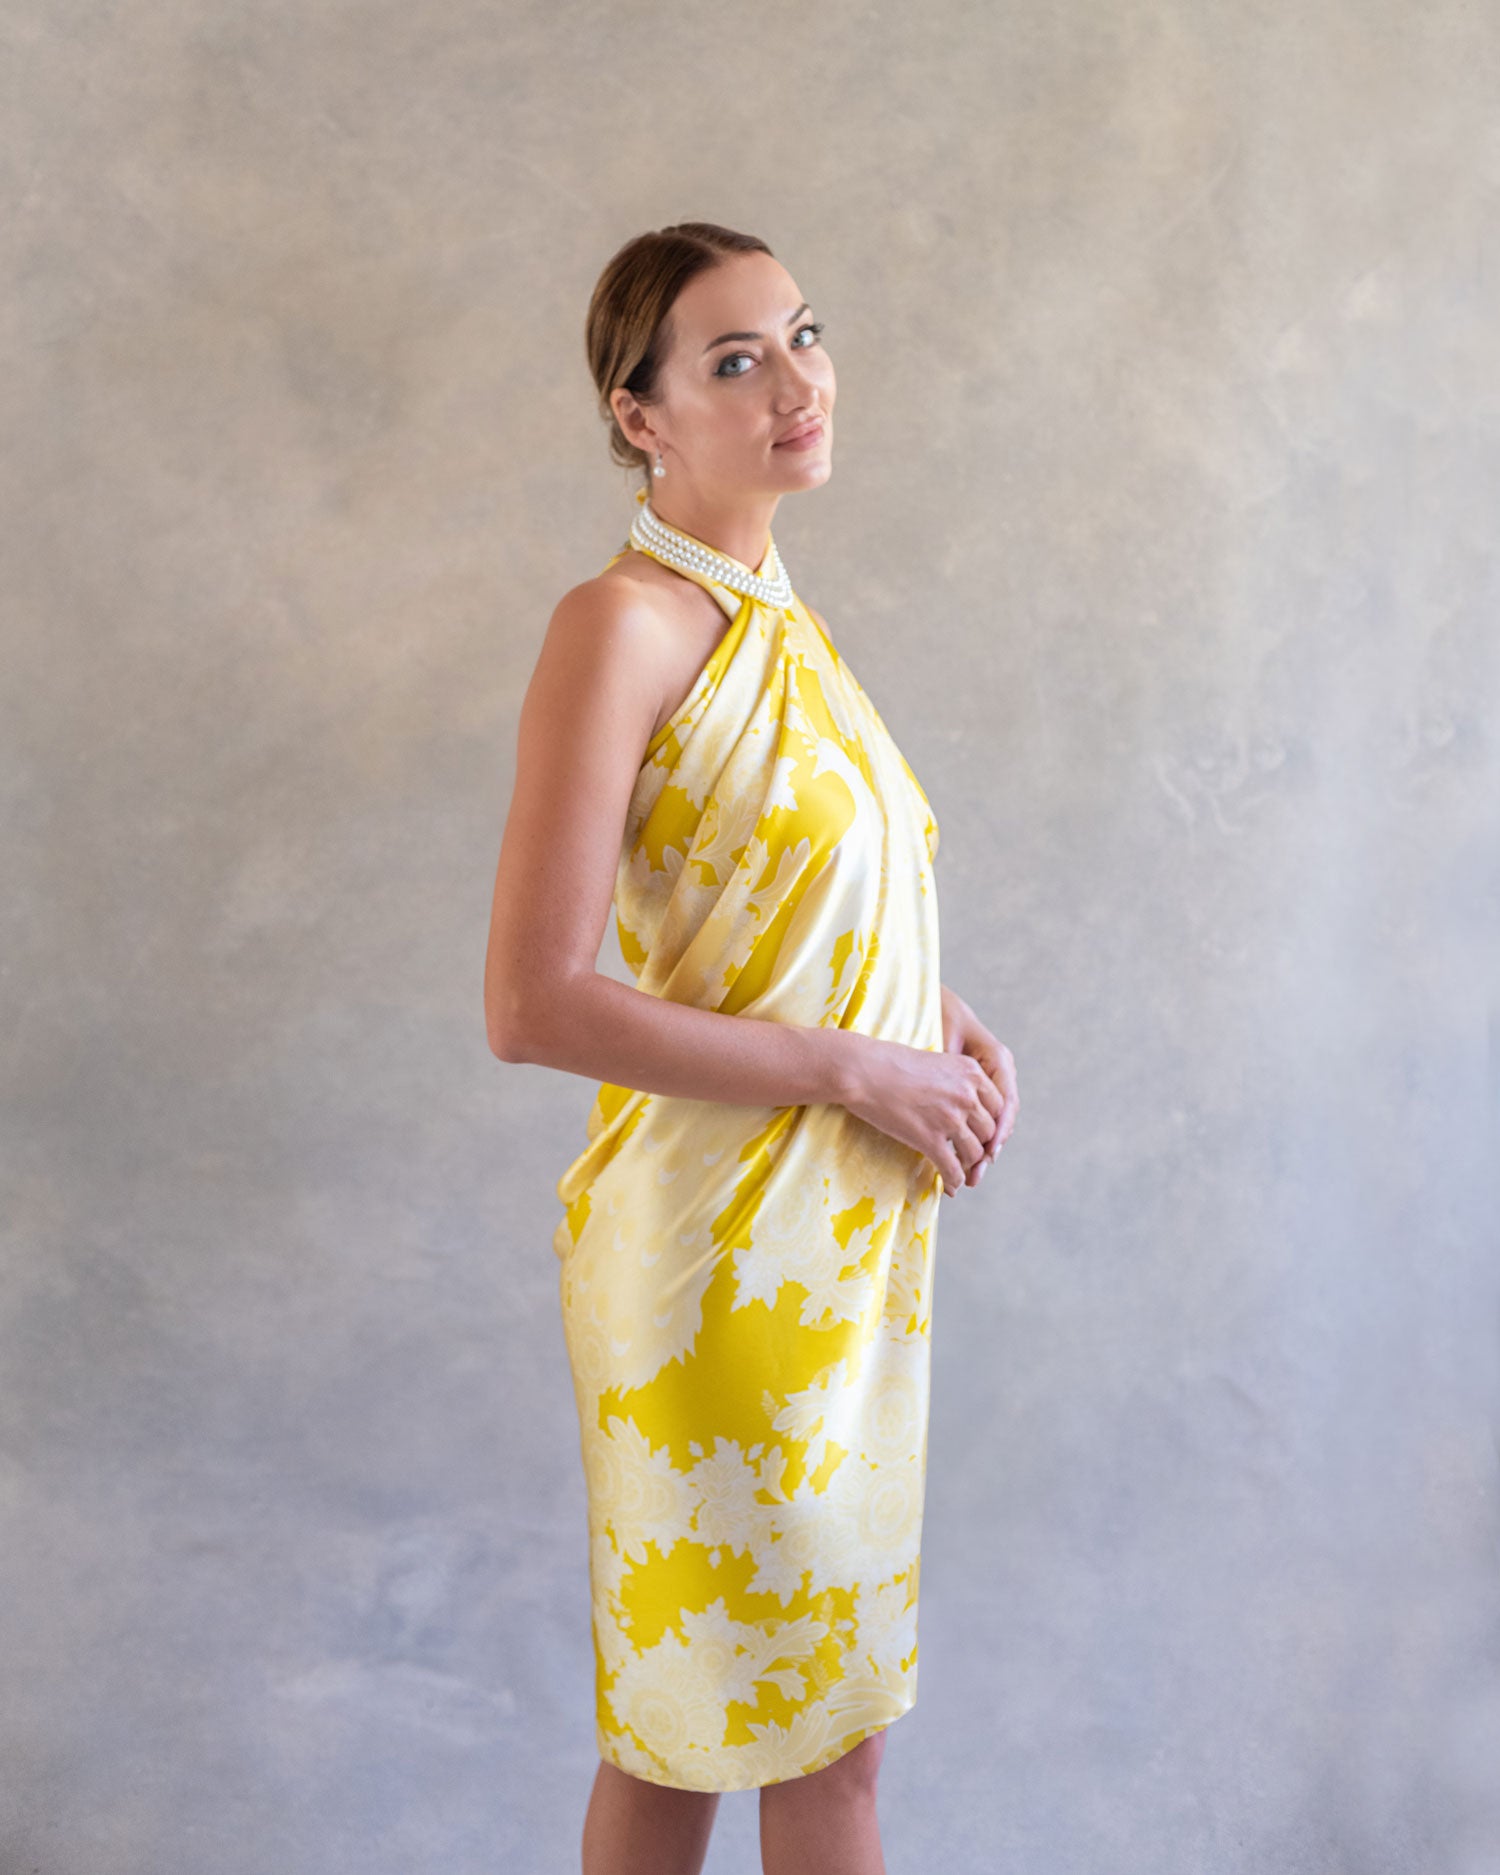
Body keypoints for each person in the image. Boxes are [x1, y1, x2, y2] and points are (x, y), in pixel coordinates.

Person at [483, 221, 1019, 1875]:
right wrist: (865, 1072)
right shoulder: (621, 625)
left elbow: (781, 918)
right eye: (733, 361)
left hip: (845, 1263)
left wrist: (935, 1017)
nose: (796, 383)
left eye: (803, 333)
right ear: (639, 415)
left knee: (824, 1744)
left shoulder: (782, 619)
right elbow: (533, 1000)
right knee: (699, 1737)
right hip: (719, 1276)